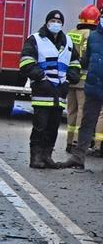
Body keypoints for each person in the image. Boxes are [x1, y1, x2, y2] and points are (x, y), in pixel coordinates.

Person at [19, 10, 80, 169]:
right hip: (42, 92)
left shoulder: (67, 42)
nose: (56, 23)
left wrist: (69, 79)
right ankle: (36, 157)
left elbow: (75, 63)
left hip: (59, 93)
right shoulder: (35, 39)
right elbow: (26, 62)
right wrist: (40, 78)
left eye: (59, 21)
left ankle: (47, 156)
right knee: (40, 126)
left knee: (53, 127)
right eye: (53, 20)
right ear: (47, 22)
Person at [61, 11, 103, 168]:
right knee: (87, 121)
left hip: (91, 84)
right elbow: (86, 59)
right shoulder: (93, 37)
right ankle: (78, 157)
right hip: (93, 86)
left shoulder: (87, 35)